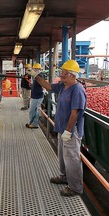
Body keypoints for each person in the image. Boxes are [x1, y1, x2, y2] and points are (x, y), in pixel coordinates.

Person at [27, 59, 86, 197]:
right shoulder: (63, 86)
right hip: (62, 128)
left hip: (70, 131)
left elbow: (75, 113)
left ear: (72, 75)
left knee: (72, 158)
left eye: (64, 72)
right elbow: (48, 86)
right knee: (62, 156)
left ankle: (75, 187)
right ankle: (64, 177)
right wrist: (36, 76)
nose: (61, 74)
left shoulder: (77, 90)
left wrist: (68, 131)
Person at [25, 63, 44, 129]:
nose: (34, 70)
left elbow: (41, 84)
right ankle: (31, 123)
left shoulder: (40, 76)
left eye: (35, 69)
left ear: (38, 70)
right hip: (34, 96)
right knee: (32, 110)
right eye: (34, 69)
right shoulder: (35, 76)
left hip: (37, 96)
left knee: (34, 110)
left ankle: (34, 124)